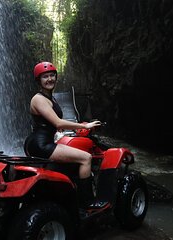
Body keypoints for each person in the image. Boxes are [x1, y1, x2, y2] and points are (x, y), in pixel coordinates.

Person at [24, 61, 107, 209]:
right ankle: (87, 202)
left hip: (40, 141)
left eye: (52, 75)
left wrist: (59, 129)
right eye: (45, 77)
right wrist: (84, 125)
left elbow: (49, 123)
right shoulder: (38, 99)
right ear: (39, 80)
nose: (49, 79)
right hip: (41, 144)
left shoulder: (50, 98)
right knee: (86, 158)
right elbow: (58, 123)